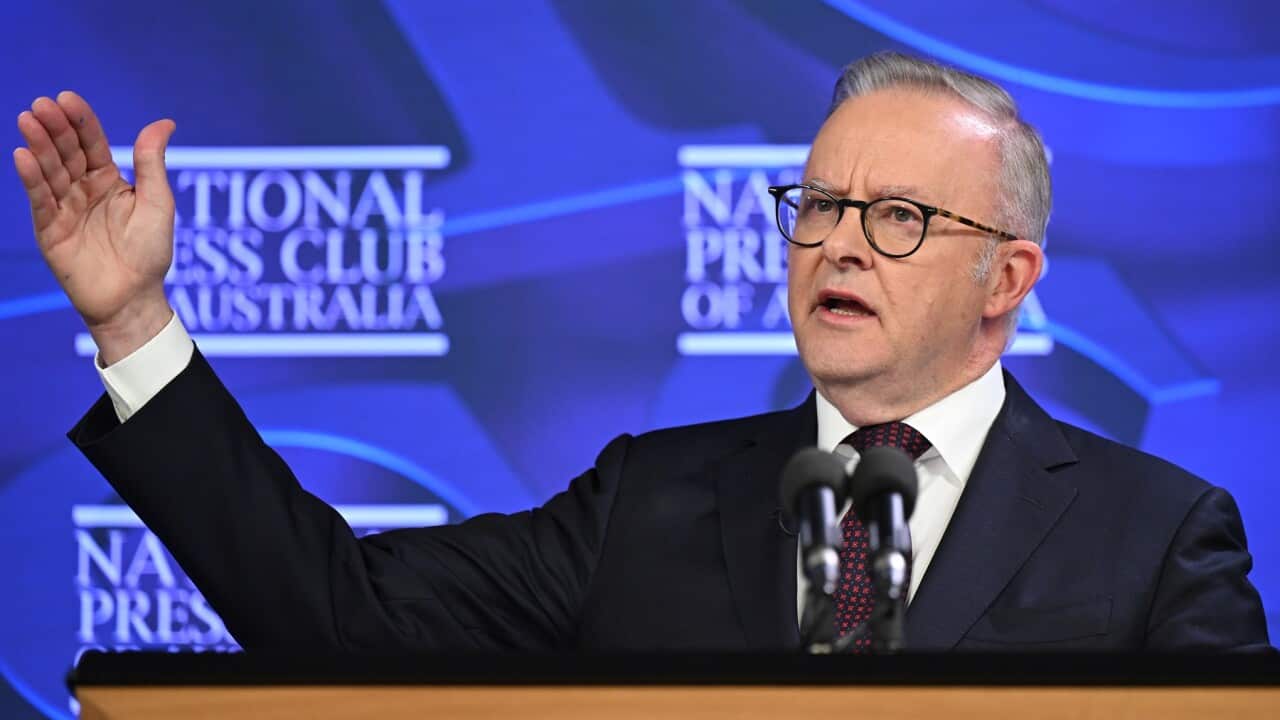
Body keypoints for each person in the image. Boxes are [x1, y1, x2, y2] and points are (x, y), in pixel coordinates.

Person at [14, 52, 1269, 652]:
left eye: (895, 219)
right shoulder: (651, 498)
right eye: (819, 207)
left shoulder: (1153, 534)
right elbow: (336, 618)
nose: (835, 246)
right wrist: (133, 325)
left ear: (1008, 278)